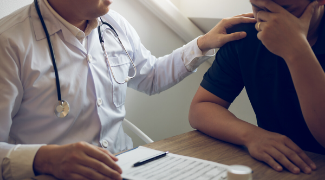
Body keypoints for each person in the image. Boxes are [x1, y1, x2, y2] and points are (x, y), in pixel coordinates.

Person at [0, 0, 257, 179]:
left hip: (127, 167)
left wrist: (202, 44)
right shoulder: (8, 43)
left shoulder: (114, 24)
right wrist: (44, 159)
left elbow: (152, 78)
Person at [189, 0, 325, 175]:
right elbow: (201, 108)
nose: (269, 19)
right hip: (278, 169)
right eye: (258, 7)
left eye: (284, 9)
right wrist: (252, 136)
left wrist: (297, 50)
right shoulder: (246, 34)